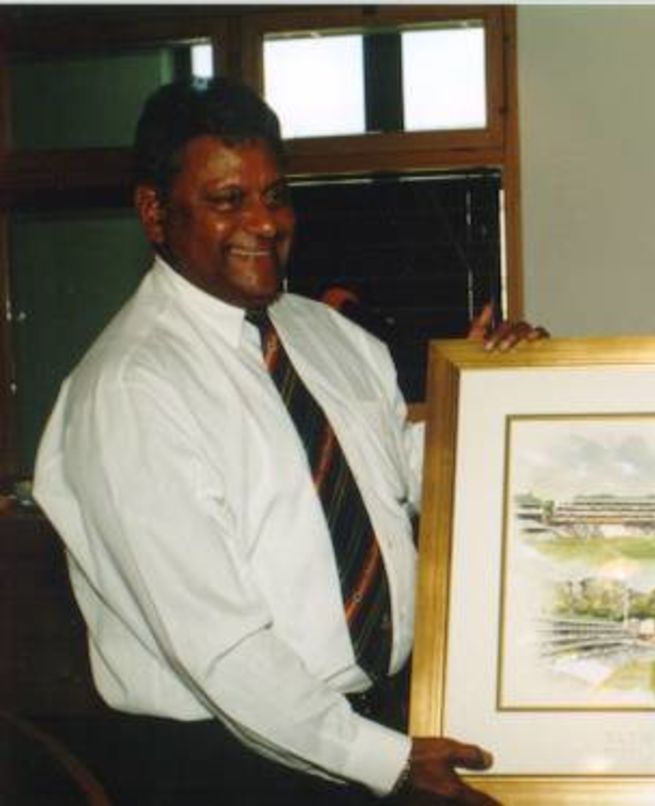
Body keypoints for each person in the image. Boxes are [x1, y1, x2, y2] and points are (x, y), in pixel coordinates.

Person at [32, 77, 545, 805]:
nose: (266, 222)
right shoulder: (129, 392)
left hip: (384, 726)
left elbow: (415, 481)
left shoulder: (330, 337)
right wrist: (385, 761)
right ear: (154, 212)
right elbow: (224, 651)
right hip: (232, 769)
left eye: (276, 194)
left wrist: (503, 399)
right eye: (227, 200)